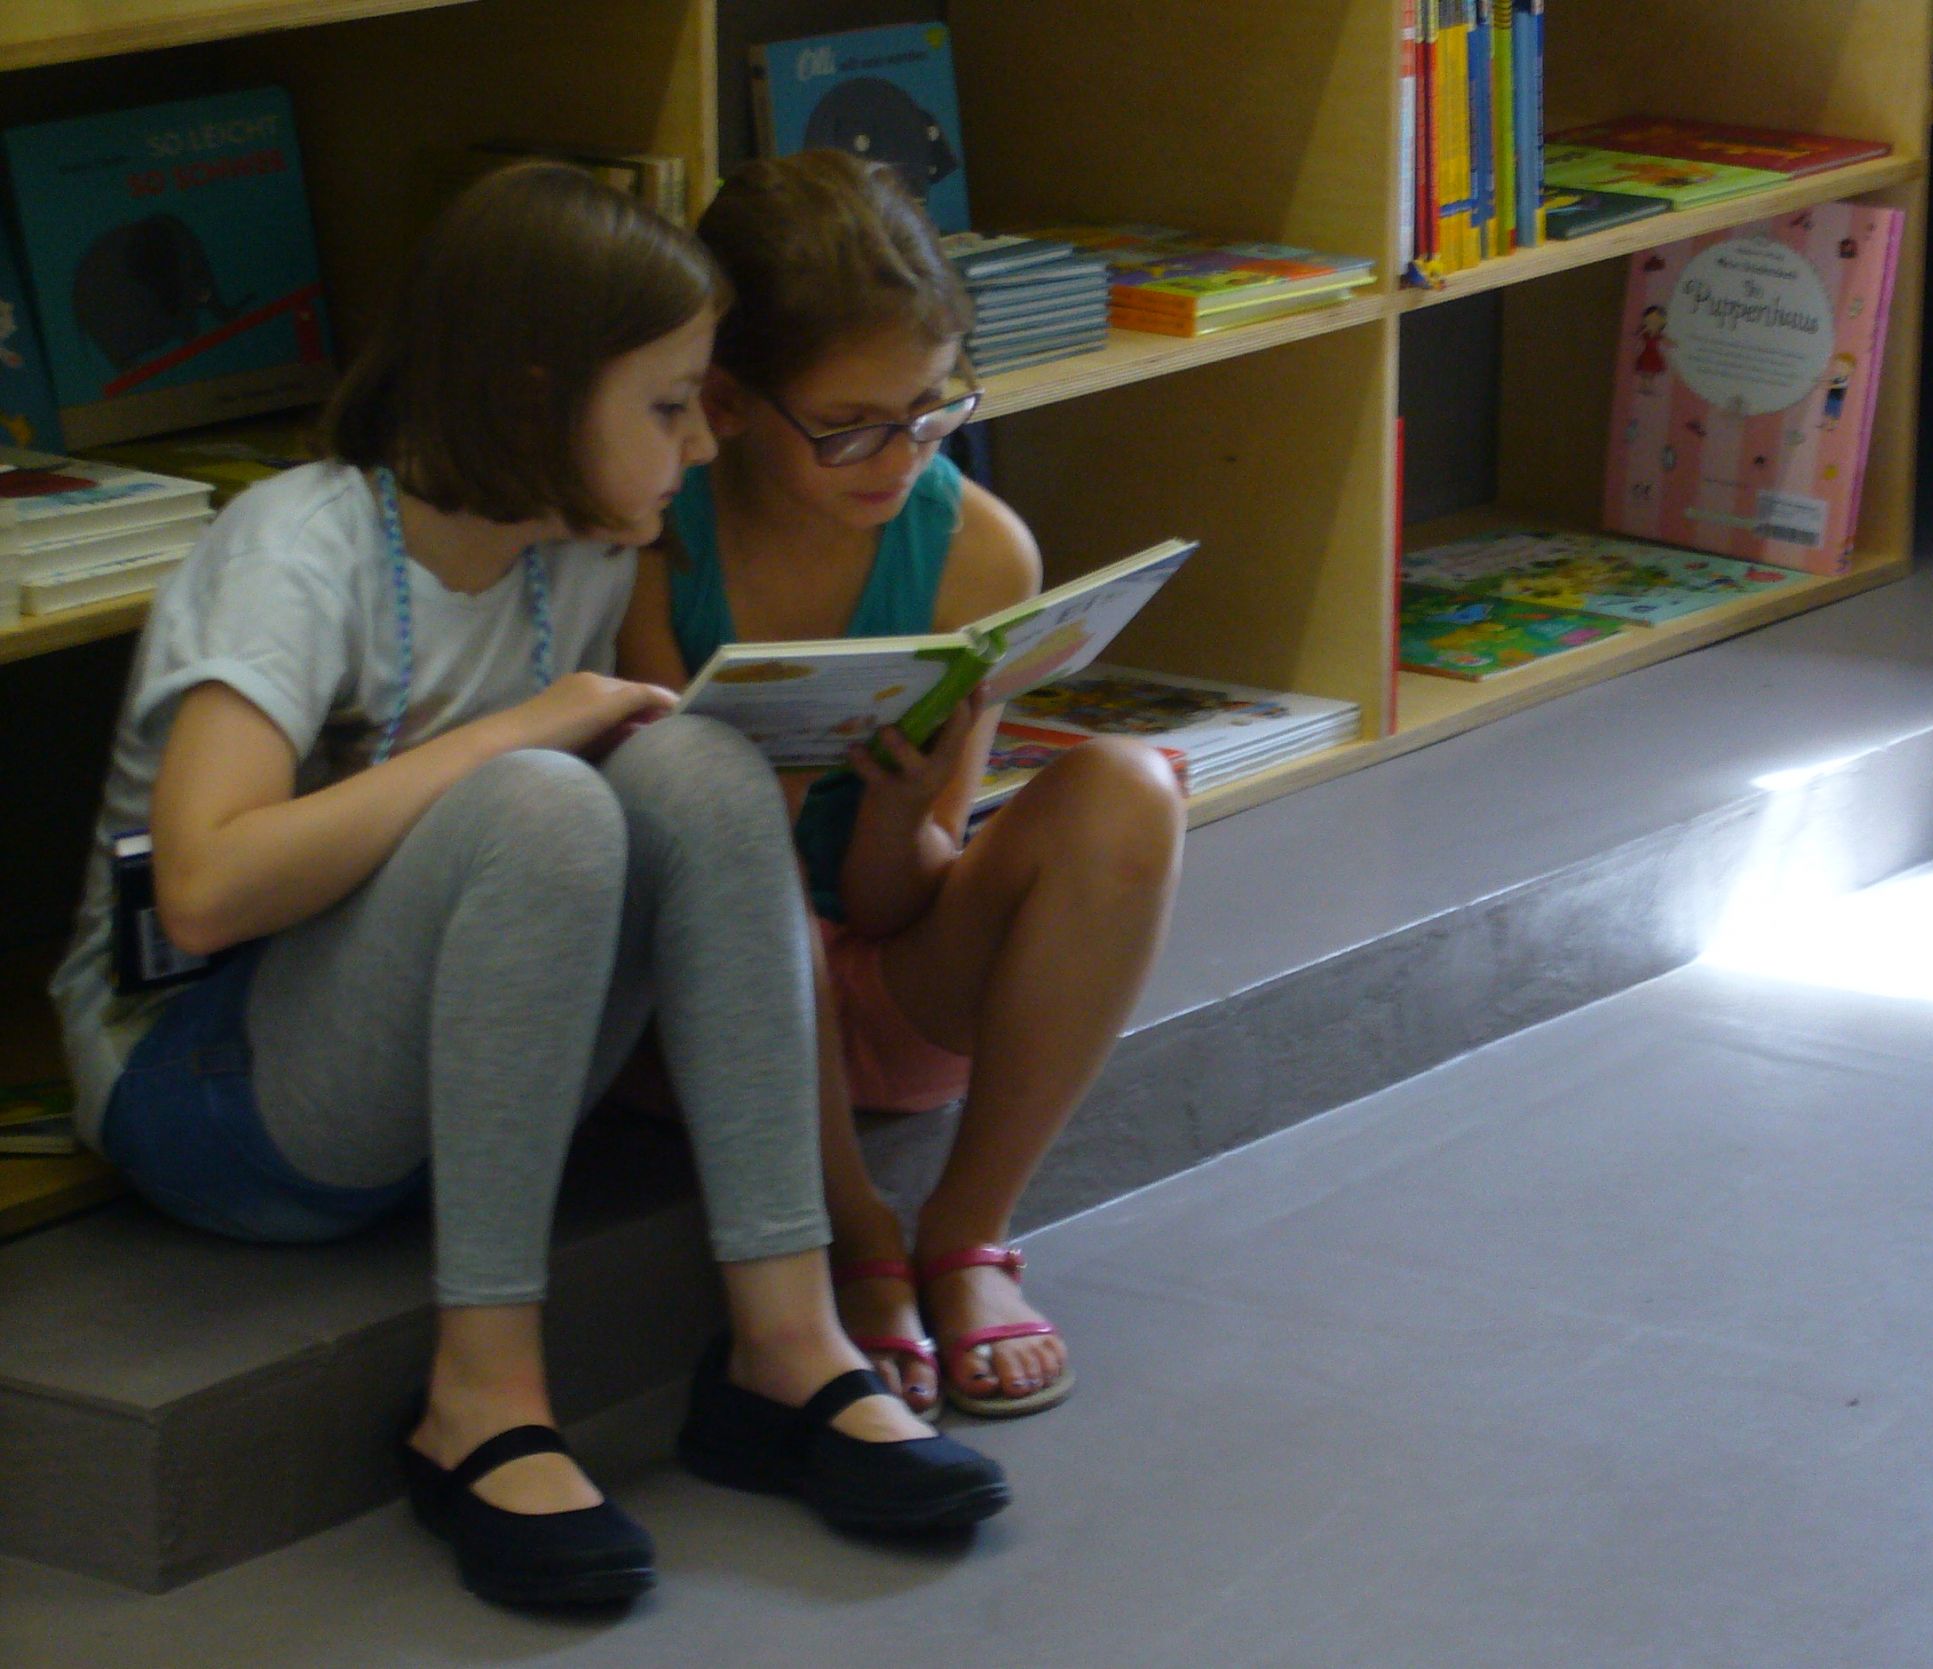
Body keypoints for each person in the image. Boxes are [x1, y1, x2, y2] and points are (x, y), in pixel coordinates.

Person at [49, 163, 1005, 1611]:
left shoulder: (587, 553)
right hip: (211, 1084)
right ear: (535, 397)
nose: (702, 444)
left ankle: (787, 1343)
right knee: (544, 792)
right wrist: (524, 731)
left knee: (700, 764)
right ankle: (479, 1398)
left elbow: (656, 823)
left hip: (434, 1087)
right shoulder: (298, 546)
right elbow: (199, 890)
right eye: (668, 407)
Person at [618, 150, 1185, 1421]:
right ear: (729, 400)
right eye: (851, 426)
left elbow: (896, 900)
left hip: (885, 982)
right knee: (731, 838)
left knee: (1131, 787)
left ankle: (969, 1229)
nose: (900, 455)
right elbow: (659, 868)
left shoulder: (973, 548)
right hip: (698, 1008)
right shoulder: (657, 537)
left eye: (932, 407)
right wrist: (750, 809)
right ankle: (856, 1232)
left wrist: (890, 808)